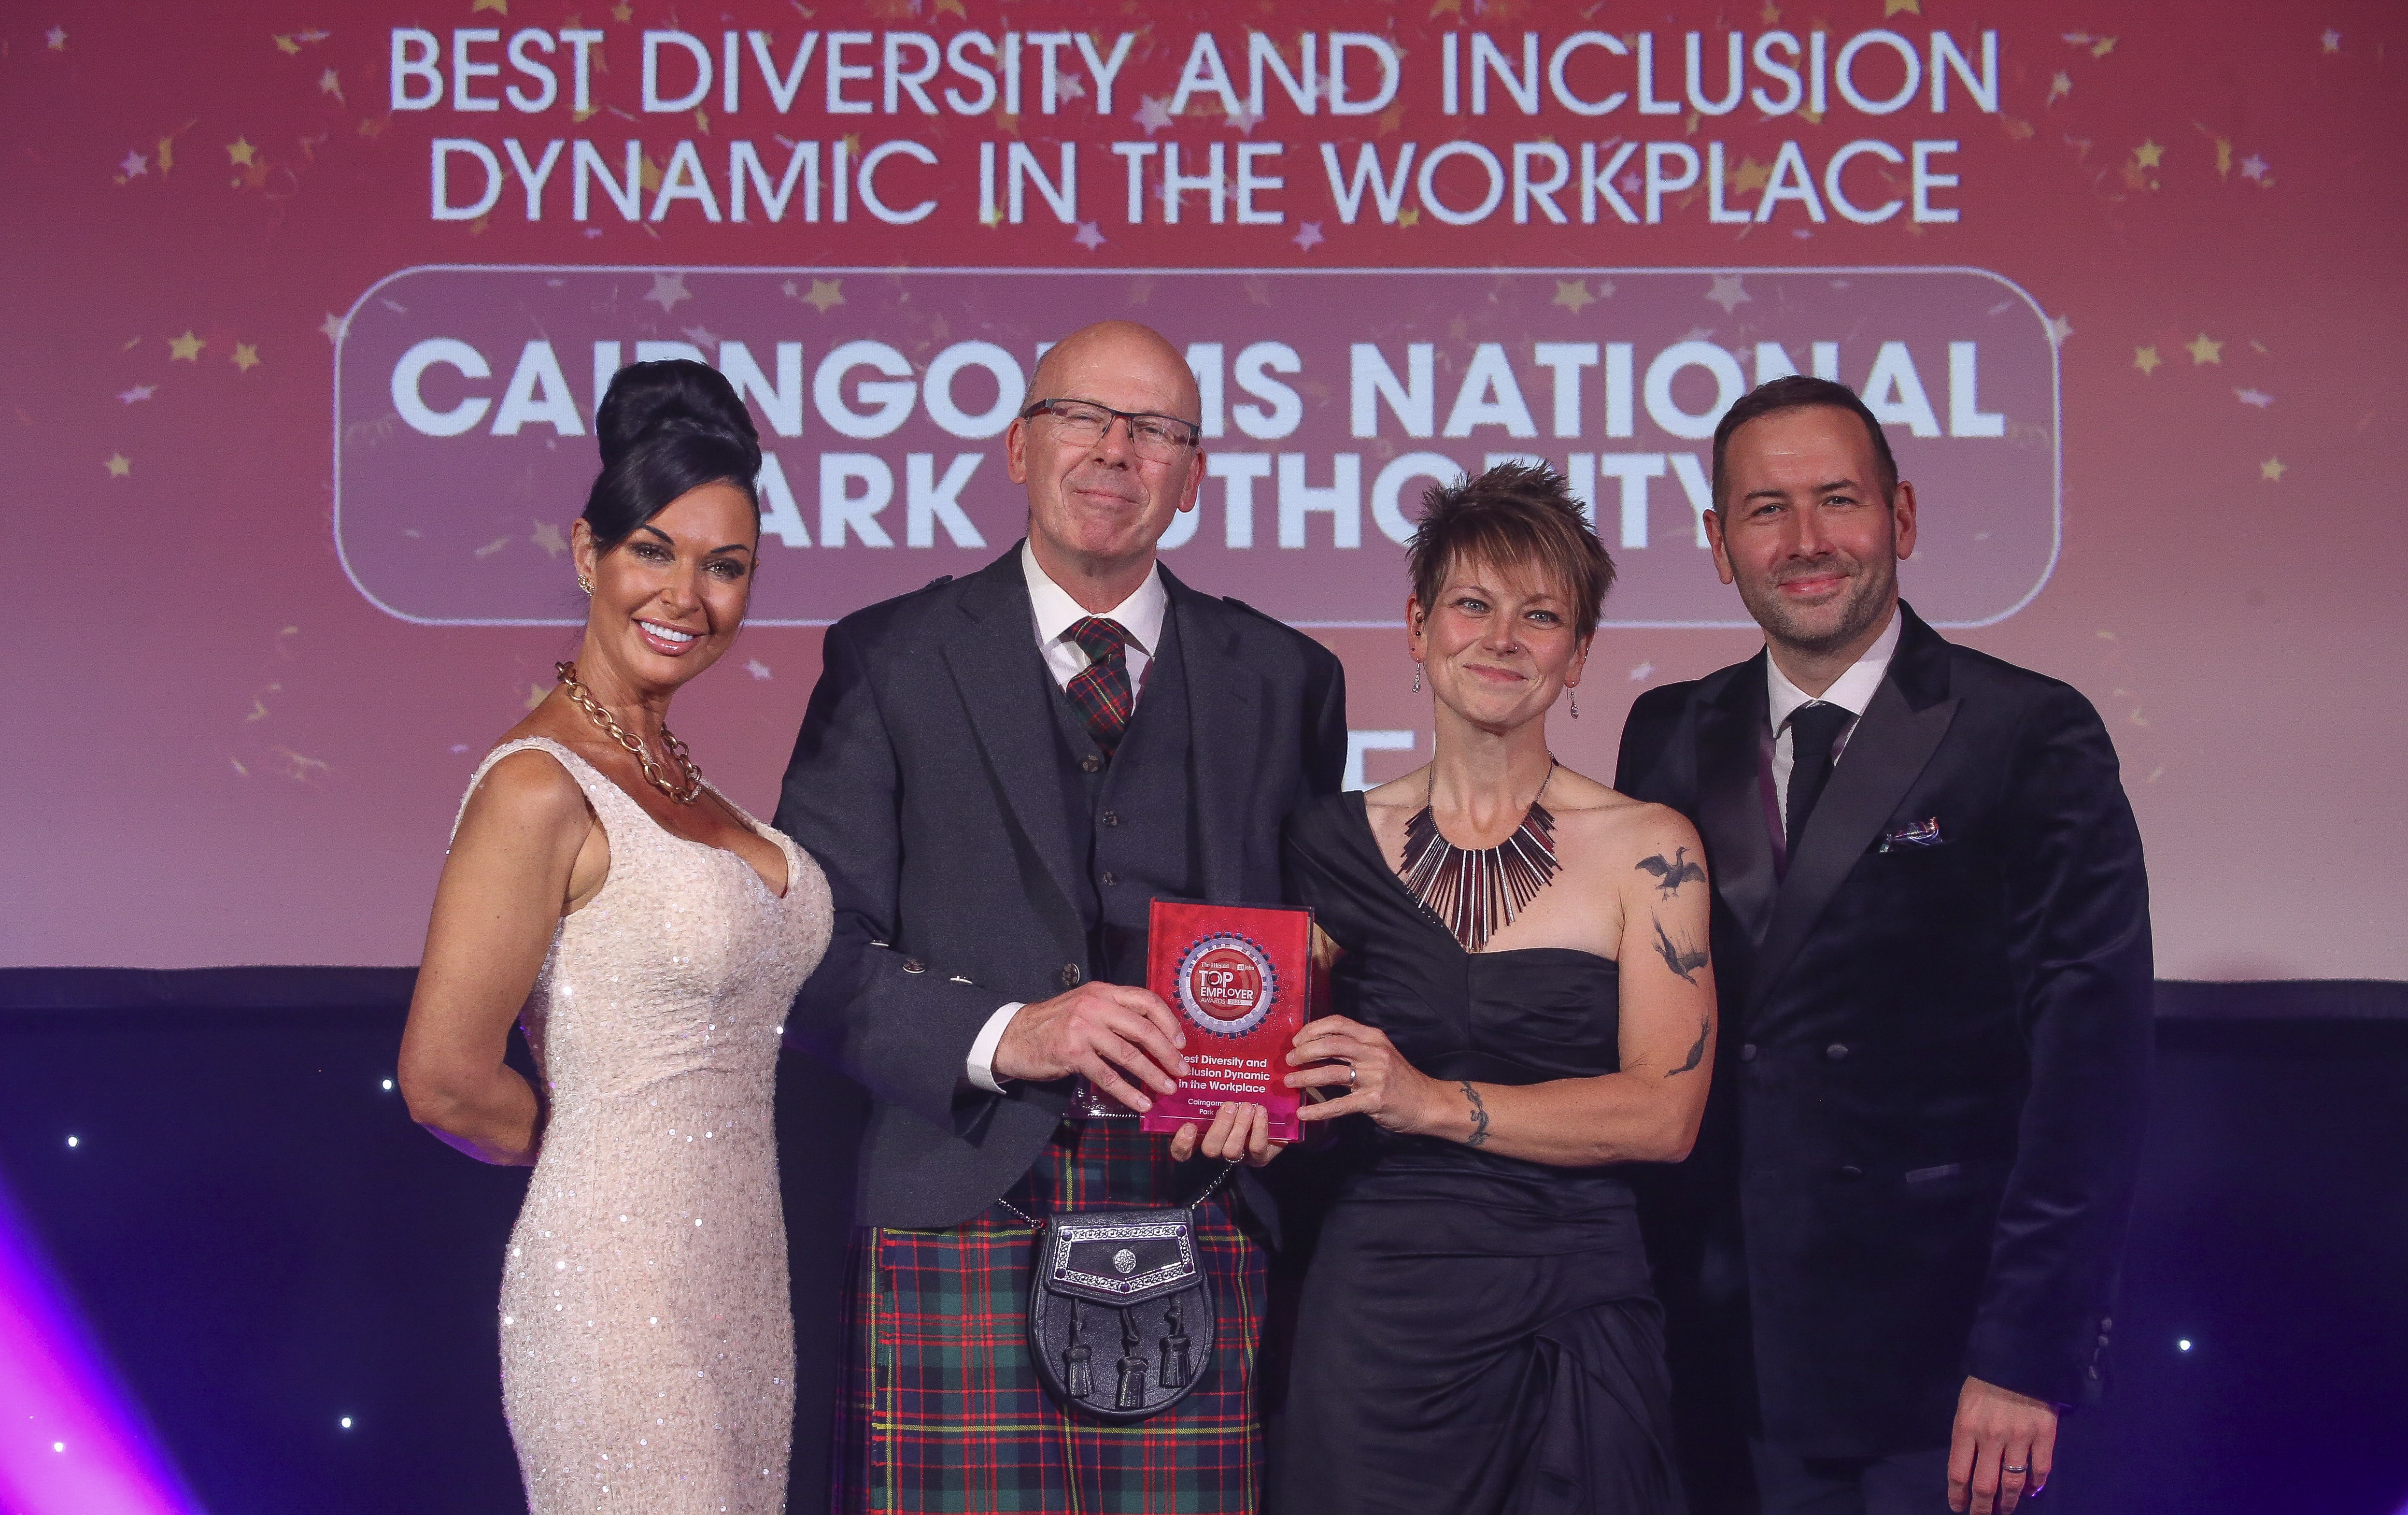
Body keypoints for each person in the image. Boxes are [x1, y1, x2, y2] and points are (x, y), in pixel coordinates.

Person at [775, 319, 1349, 1513]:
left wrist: (1285, 1077)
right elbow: (812, 957)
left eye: (1157, 432)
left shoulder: (1290, 677)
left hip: (1206, 1203)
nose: (1115, 451)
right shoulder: (889, 658)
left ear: (1194, 478)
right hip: (958, 1201)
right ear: (1018, 448)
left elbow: (1320, 945)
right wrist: (1007, 1033)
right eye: (1083, 417)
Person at [1615, 375, 2153, 1515]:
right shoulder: (1667, 730)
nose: (1806, 542)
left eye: (1837, 500)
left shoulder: (2029, 731)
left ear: (1901, 517)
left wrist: (2025, 1353)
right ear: (1717, 542)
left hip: (1941, 1373)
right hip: (1711, 1352)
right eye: (1765, 509)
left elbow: (2089, 1073)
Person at [397, 361, 832, 1514]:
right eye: (654, 549)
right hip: (613, 1292)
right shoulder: (538, 787)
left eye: (725, 565)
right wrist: (606, 1165)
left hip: (742, 1282)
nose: (687, 594)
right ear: (588, 553)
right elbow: (442, 1079)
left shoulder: (684, 777)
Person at [1271, 462, 1708, 1515]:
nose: (1502, 637)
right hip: (1377, 1317)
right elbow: (1281, 1081)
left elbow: (1665, 1112)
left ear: (1579, 654)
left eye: (1541, 614)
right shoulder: (1322, 841)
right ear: (1418, 626)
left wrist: (1427, 1099)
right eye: (1472, 603)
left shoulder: (1652, 846)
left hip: (1579, 1308)